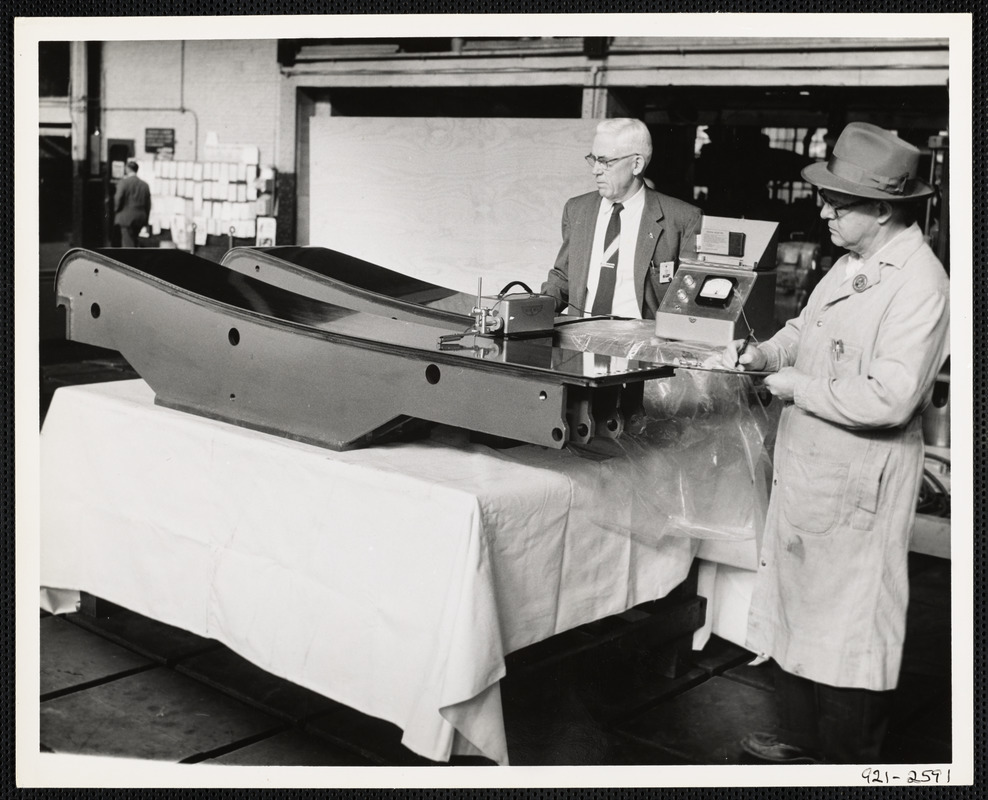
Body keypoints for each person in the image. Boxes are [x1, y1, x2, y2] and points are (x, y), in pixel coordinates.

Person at [717, 122, 949, 764]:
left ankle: (848, 765)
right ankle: (799, 744)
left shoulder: (920, 284)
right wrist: (768, 351)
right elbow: (804, 324)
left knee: (850, 632)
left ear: (881, 209)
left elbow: (892, 397)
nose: (822, 211)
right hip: (812, 469)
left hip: (857, 481)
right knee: (799, 609)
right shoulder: (855, 264)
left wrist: (796, 385)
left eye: (837, 203)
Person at [541, 118, 702, 318]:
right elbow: (563, 276)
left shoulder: (683, 219)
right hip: (581, 342)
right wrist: (530, 311)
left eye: (605, 161)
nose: (595, 170)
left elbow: (690, 300)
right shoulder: (576, 210)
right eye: (593, 159)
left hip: (644, 345)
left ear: (636, 164)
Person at [114, 160, 152, 247]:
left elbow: (118, 198)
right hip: (140, 217)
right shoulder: (145, 185)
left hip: (126, 219)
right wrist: (146, 219)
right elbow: (148, 205)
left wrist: (116, 210)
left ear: (127, 169)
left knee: (128, 244)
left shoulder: (123, 183)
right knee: (134, 240)